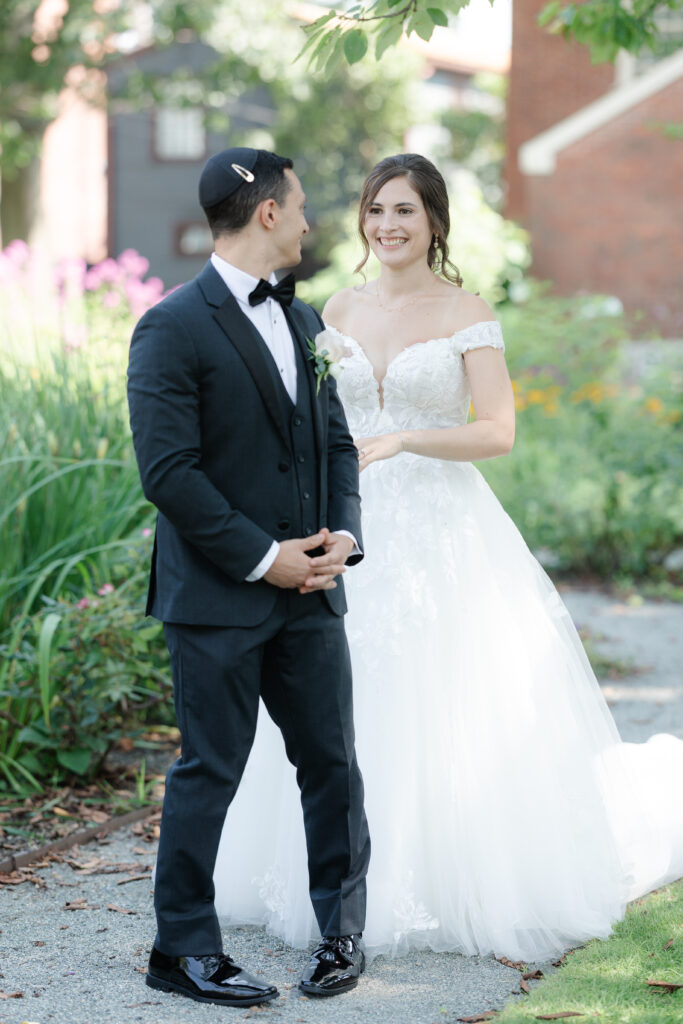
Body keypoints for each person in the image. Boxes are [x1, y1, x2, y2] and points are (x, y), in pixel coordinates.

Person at [213, 152, 683, 963]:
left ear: (433, 221)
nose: (387, 226)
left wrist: (401, 439)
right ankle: (336, 875)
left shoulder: (466, 309)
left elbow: (496, 430)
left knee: (445, 693)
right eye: (374, 211)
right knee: (338, 697)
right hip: (350, 529)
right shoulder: (336, 311)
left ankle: (443, 878)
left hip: (446, 529)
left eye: (404, 211)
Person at [127, 146, 371, 1006]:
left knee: (332, 765)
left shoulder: (306, 326)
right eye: (300, 205)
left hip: (313, 590)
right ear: (266, 212)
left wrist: (341, 535)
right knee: (210, 770)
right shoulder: (170, 325)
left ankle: (340, 934)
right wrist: (265, 559)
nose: (309, 220)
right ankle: (182, 950)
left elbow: (336, 442)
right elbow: (170, 472)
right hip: (220, 596)